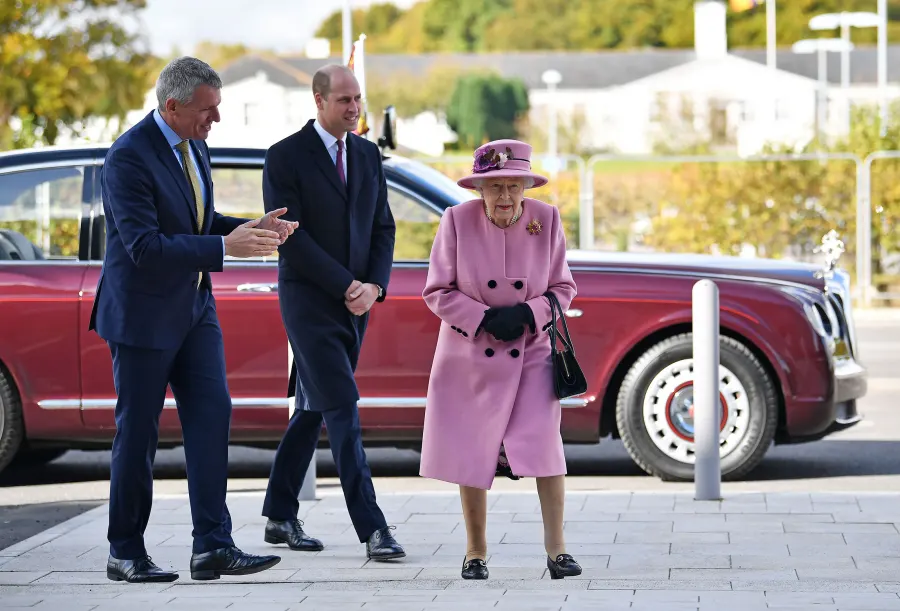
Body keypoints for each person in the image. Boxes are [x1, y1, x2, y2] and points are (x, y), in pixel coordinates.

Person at [89, 56, 297, 583]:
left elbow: (198, 222)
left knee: (211, 420)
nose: (216, 120)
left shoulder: (193, 143)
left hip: (195, 309)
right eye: (208, 110)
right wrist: (225, 248)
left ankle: (212, 546)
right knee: (137, 437)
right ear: (173, 106)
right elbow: (143, 247)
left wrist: (253, 228)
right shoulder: (127, 158)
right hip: (141, 317)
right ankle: (125, 552)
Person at [419, 139, 582, 580]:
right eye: (495, 187)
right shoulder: (456, 220)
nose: (506, 196)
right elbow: (436, 291)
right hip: (470, 354)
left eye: (514, 185)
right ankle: (475, 553)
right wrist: (484, 317)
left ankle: (558, 551)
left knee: (545, 447)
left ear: (527, 185)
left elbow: (563, 288)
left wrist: (528, 312)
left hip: (531, 352)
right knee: (473, 449)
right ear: (479, 189)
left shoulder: (546, 220)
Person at [260, 64, 404, 561]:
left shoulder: (366, 154)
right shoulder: (285, 157)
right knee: (342, 406)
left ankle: (279, 514)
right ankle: (373, 528)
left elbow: (383, 228)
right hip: (307, 302)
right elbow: (289, 238)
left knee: (313, 406)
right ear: (318, 100)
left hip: (357, 303)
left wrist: (374, 288)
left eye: (358, 98)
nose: (354, 107)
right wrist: (348, 285)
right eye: (344, 99)